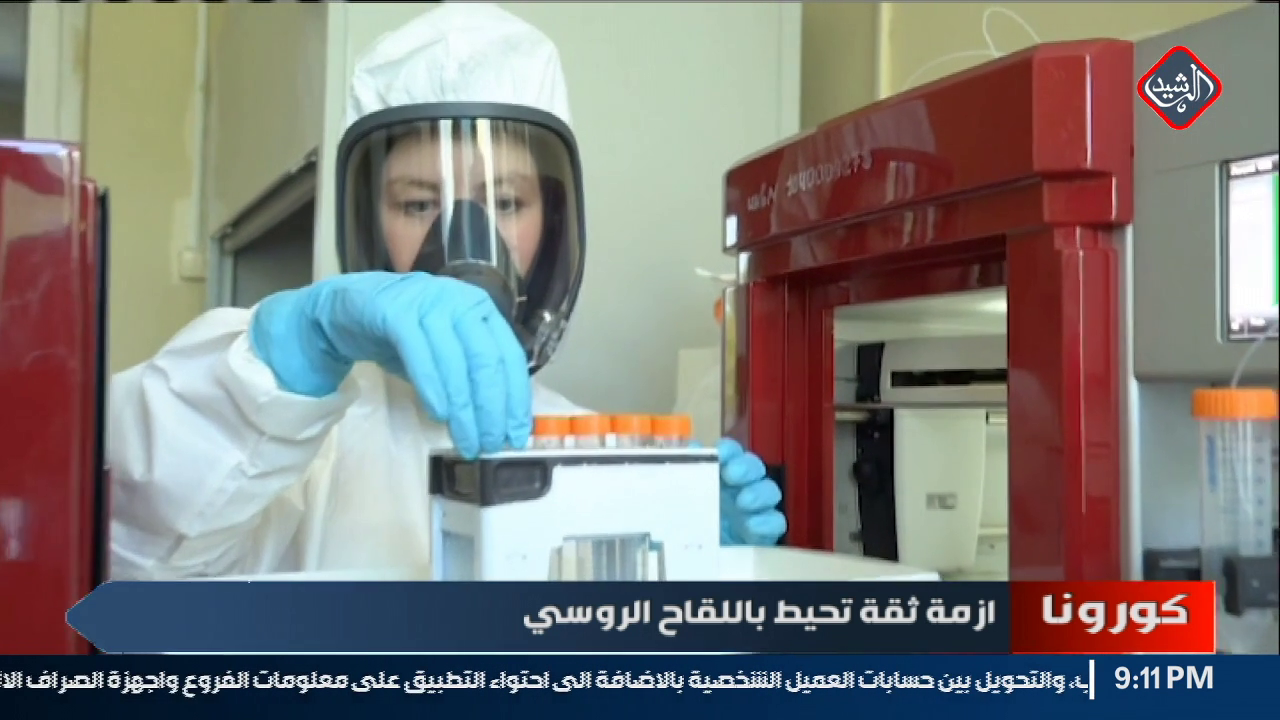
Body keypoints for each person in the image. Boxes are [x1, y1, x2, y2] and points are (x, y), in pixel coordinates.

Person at [107, 3, 785, 580]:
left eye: (506, 202)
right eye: (418, 204)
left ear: (553, 224)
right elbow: (129, 555)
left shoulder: (594, 457)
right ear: (369, 222)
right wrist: (295, 349)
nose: (464, 239)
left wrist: (693, 562)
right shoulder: (289, 444)